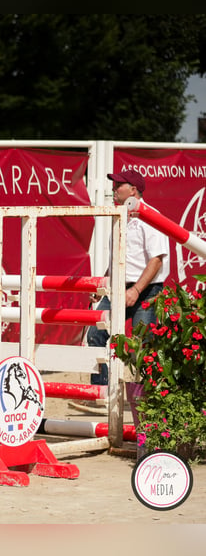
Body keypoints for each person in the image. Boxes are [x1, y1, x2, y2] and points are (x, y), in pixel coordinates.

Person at [74, 166, 170, 412]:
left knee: (144, 343)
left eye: (119, 185)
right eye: (115, 185)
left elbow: (157, 259)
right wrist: (102, 286)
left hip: (147, 288)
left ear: (133, 190)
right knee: (96, 333)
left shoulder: (151, 216)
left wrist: (136, 290)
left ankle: (147, 401)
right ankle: (102, 393)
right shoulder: (120, 217)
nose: (114, 189)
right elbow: (116, 258)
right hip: (119, 286)